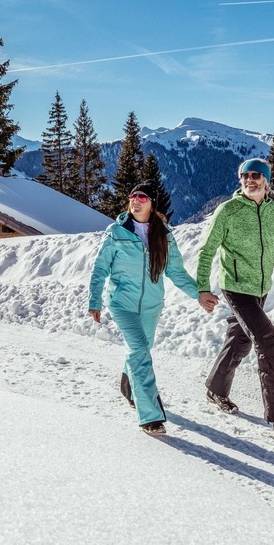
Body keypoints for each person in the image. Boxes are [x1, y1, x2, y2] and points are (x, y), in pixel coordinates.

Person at [89, 181, 209, 436]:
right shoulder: (116, 232)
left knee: (140, 351)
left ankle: (128, 385)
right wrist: (94, 300)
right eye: (133, 196)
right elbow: (100, 269)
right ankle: (151, 415)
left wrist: (199, 294)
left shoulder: (163, 235)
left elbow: (175, 271)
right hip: (122, 303)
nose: (136, 200)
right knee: (140, 351)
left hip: (151, 306)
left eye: (142, 197)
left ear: (152, 204)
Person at [196, 158, 274, 442]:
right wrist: (203, 288)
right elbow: (207, 251)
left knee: (240, 339)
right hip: (236, 287)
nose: (250, 180)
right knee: (270, 345)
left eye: (256, 176)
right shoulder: (227, 211)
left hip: (262, 288)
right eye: (245, 176)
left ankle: (216, 389)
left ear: (267, 181)